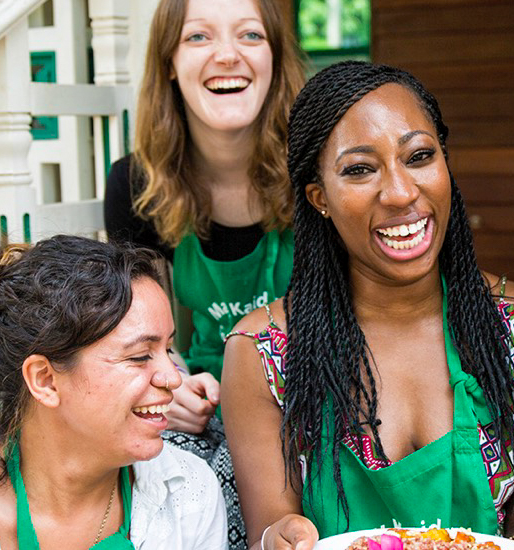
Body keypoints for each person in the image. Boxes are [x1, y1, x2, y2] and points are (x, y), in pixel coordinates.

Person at [222, 61, 514, 550]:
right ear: (318, 197)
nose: (401, 192)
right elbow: (272, 528)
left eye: (419, 156)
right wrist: (276, 538)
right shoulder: (263, 353)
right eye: (360, 169)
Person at [0, 236, 226, 549]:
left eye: (168, 350)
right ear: (45, 380)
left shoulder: (187, 494)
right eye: (140, 355)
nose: (172, 378)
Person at [103, 1, 305, 545]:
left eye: (249, 35)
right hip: (209, 399)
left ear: (275, 57)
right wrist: (170, 383)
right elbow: (139, 327)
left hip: (314, 396)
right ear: (168, 62)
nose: (226, 55)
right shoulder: (135, 186)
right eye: (198, 38)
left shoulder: (318, 166)